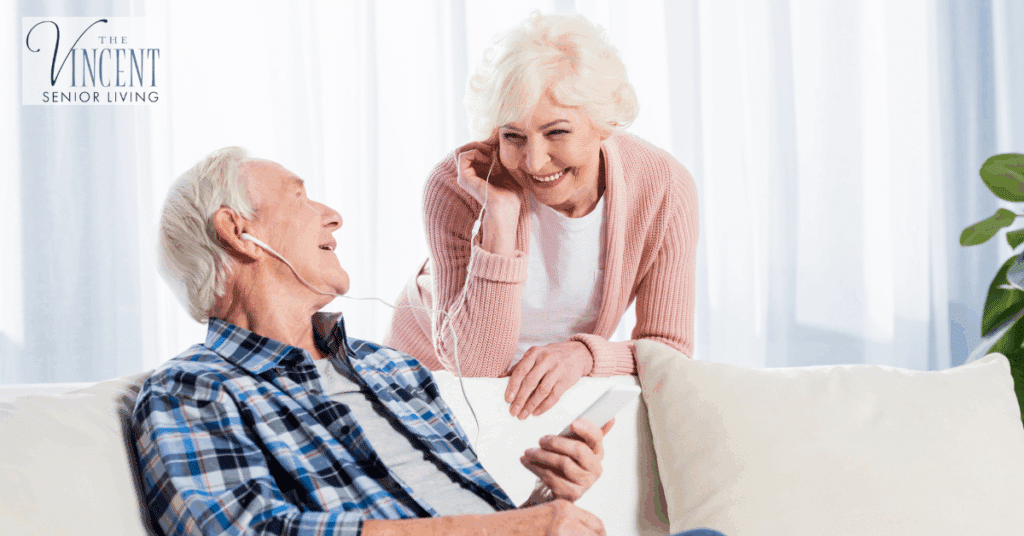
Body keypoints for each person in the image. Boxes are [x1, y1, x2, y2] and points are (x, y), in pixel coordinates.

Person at [133, 147, 617, 535]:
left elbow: (468, 523)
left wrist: (546, 504)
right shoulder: (190, 390)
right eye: (299, 197)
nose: (334, 216)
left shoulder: (393, 369)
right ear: (239, 232)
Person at [384, 11, 699, 420]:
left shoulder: (664, 188)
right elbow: (475, 368)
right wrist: (499, 218)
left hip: (543, 392)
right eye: (512, 136)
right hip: (427, 381)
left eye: (556, 132)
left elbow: (668, 352)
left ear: (606, 120)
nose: (533, 162)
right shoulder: (457, 184)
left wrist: (583, 356)